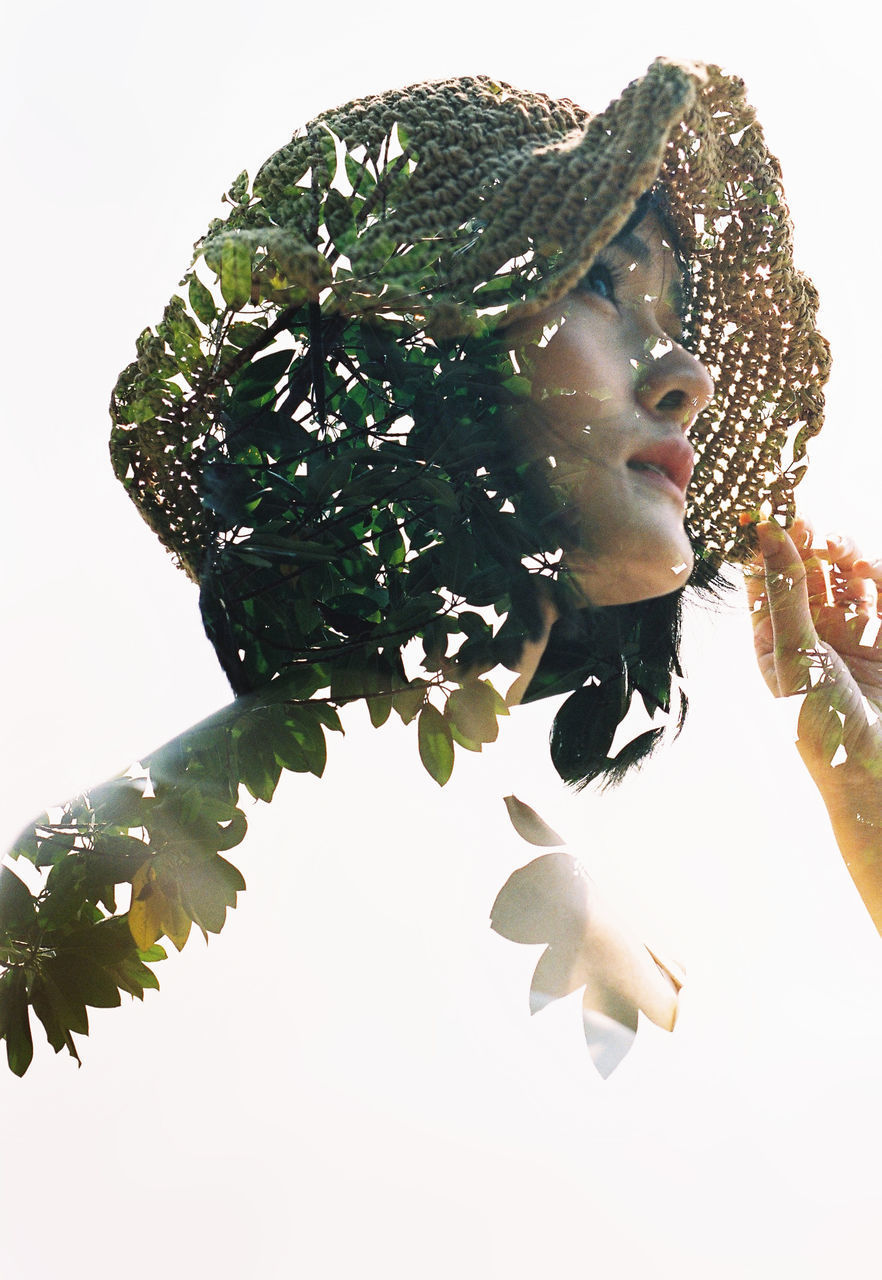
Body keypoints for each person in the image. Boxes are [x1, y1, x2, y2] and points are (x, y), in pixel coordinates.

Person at [1, 59, 878, 1077]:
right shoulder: (103, 879)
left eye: (675, 316)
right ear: (415, 344)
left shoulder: (616, 937)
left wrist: (867, 793)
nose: (687, 372)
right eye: (601, 283)